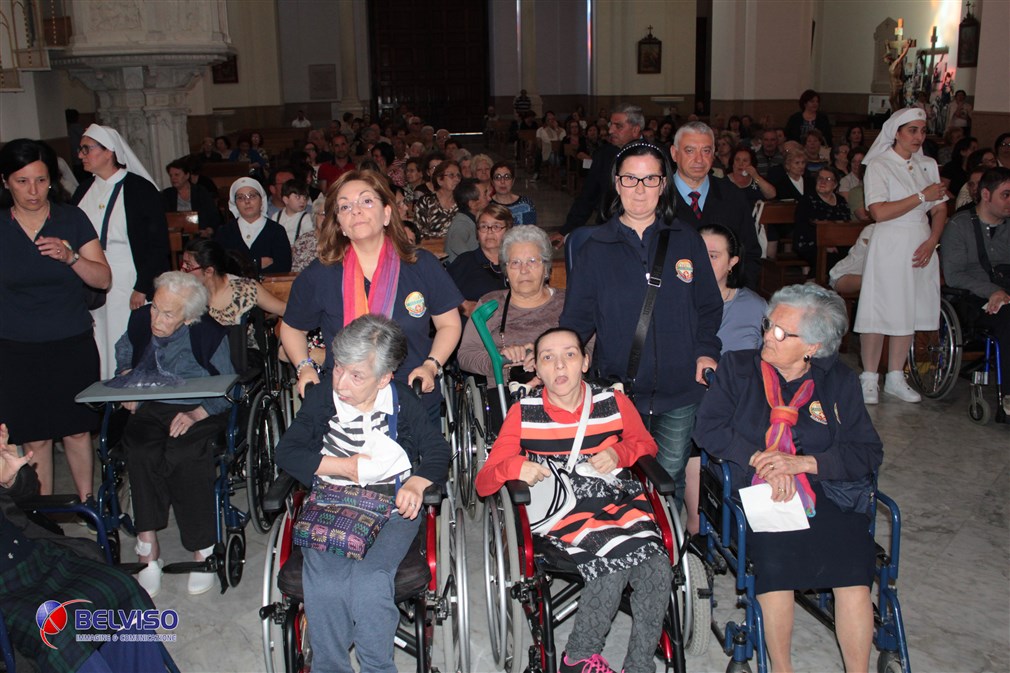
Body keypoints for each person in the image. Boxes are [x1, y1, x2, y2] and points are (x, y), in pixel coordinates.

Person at [693, 284, 884, 673]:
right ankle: (782, 669)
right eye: (768, 325)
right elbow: (708, 428)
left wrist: (804, 464)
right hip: (754, 492)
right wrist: (760, 460)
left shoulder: (839, 382)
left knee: (853, 564)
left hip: (824, 493)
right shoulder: (738, 368)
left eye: (781, 332)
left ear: (813, 347)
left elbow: (867, 451)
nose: (767, 336)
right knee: (776, 561)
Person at [475, 327, 670, 673]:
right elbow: (484, 481)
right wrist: (516, 466)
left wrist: (619, 452)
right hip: (565, 511)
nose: (560, 365)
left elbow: (646, 445)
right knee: (614, 560)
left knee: (657, 567)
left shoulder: (613, 402)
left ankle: (640, 666)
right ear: (536, 368)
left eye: (569, 354)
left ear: (585, 362)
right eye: (548, 357)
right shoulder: (524, 413)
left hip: (620, 502)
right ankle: (578, 656)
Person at [275, 315, 450, 673]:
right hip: (331, 503)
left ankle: (377, 667)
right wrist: (344, 467)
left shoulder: (401, 400)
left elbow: (437, 450)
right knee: (325, 584)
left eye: (356, 376)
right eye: (338, 368)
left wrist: (416, 482)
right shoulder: (323, 397)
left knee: (371, 583)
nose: (341, 383)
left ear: (384, 378)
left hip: (391, 508)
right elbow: (287, 452)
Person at [561, 140, 723, 509]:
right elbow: (576, 321)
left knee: (668, 479)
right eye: (630, 179)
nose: (639, 189)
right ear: (616, 184)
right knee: (622, 480)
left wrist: (705, 351)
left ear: (663, 184)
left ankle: (671, 544)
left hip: (680, 389)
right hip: (620, 390)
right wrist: (558, 359)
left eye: (650, 179)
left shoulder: (685, 239)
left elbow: (709, 306)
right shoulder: (595, 247)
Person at [279, 170, 463, 419]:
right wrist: (305, 367)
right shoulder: (320, 273)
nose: (355, 210)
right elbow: (292, 328)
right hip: (344, 397)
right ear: (340, 225)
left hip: (411, 391)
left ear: (386, 214)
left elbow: (449, 324)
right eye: (345, 207)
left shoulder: (420, 264)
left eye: (366, 201)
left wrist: (431, 366)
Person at [0, 424, 168, 673]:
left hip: (35, 556)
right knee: (58, 635)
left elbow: (26, 495)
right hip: (6, 594)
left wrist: (10, 480)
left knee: (120, 586)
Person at [113, 271, 236, 597]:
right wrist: (128, 375)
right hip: (152, 405)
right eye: (156, 307)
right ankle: (147, 547)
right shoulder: (141, 321)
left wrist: (198, 413)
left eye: (168, 314)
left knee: (184, 454)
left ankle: (202, 548)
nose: (156, 319)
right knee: (140, 450)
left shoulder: (208, 334)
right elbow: (124, 348)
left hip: (198, 407)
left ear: (189, 317)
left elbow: (228, 386)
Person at [0, 139, 112, 499]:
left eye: (41, 180)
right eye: (22, 181)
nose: (33, 191)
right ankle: (43, 514)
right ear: (5, 182)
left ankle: (87, 504)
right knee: (36, 437)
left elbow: (103, 279)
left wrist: (71, 258)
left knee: (77, 431)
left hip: (71, 341)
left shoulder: (71, 218)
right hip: (17, 347)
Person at [854, 108, 948, 405]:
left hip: (920, 242)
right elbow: (879, 212)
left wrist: (932, 241)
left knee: (909, 307)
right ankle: (870, 376)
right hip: (891, 243)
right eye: (912, 130)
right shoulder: (880, 165)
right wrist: (921, 196)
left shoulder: (928, 165)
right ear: (896, 133)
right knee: (880, 308)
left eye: (922, 130)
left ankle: (896, 375)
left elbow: (940, 208)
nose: (919, 137)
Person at [683, 224, 768, 534]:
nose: (703, 263)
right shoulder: (677, 302)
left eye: (713, 255)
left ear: (732, 262)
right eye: (697, 254)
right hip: (694, 400)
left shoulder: (755, 307)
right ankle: (697, 527)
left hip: (745, 404)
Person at [73, 124, 170, 379]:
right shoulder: (83, 191)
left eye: (86, 149)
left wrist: (143, 286)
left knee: (124, 336)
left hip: (129, 279)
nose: (81, 155)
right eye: (80, 149)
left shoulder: (140, 189)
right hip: (89, 278)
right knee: (97, 337)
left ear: (109, 152)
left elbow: (157, 244)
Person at [457, 225, 568, 381]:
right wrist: (498, 359)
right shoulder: (490, 304)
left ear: (546, 269)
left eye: (532, 261)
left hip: (561, 384)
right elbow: (465, 355)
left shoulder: (567, 302)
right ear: (506, 271)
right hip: (504, 389)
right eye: (515, 262)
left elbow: (588, 348)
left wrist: (546, 356)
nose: (524, 270)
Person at [941, 167, 1010, 414]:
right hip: (972, 299)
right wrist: (992, 291)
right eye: (1006, 195)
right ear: (986, 194)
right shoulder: (959, 226)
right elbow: (954, 275)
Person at [670, 122, 763, 290]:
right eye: (690, 150)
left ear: (713, 154)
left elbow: (749, 253)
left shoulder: (732, 196)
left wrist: (738, 295)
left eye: (706, 151)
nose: (699, 159)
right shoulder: (656, 197)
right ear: (674, 153)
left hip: (725, 296)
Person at [559, 103, 644, 240]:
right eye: (611, 125)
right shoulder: (604, 155)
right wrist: (567, 230)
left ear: (635, 130)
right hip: (609, 228)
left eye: (618, 126)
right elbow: (588, 195)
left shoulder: (655, 155)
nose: (610, 130)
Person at [181, 238, 286, 329]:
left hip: (242, 345)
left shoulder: (245, 289)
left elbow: (284, 309)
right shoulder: (184, 294)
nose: (182, 269)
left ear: (209, 271)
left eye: (188, 265)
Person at [215, 177, 292, 274]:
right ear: (235, 203)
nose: (247, 202)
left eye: (252, 196)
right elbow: (221, 267)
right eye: (240, 197)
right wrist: (257, 263)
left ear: (261, 200)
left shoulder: (276, 230)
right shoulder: (225, 232)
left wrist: (240, 265)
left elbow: (283, 267)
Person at [447, 203, 511, 315]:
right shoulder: (464, 262)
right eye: (484, 226)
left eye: (496, 226)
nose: (489, 231)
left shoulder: (517, 263)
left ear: (508, 231)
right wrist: (464, 307)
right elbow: (440, 296)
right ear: (477, 232)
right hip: (475, 324)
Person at [793, 168, 851, 273]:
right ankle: (816, 279)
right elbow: (803, 228)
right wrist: (825, 245)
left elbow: (846, 224)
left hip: (838, 242)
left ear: (835, 185)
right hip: (811, 242)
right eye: (820, 178)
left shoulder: (841, 200)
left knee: (853, 256)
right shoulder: (807, 200)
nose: (823, 182)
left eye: (828, 179)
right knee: (831, 258)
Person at [161, 157, 220, 234]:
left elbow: (213, 215)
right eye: (171, 175)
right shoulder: (167, 194)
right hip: (176, 235)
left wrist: (210, 230)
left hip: (200, 233)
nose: (173, 178)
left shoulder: (200, 192)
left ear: (187, 175)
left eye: (176, 175)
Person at [443, 177, 490, 263]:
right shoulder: (462, 223)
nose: (489, 198)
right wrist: (475, 263)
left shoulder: (471, 219)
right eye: (485, 195)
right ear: (473, 204)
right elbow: (455, 243)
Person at [414, 160, 461, 238]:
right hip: (429, 244)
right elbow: (420, 232)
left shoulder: (462, 203)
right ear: (439, 180)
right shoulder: (426, 201)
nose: (457, 179)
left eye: (458, 176)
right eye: (451, 175)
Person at [489, 160, 537, 226]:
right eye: (497, 177)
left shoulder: (526, 204)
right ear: (492, 182)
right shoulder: (488, 205)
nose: (502, 181)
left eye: (507, 177)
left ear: (513, 181)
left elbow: (530, 230)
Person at [292, 193, 326, 273]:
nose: (326, 218)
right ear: (315, 216)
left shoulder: (340, 240)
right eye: (323, 214)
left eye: (330, 215)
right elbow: (295, 271)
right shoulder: (303, 241)